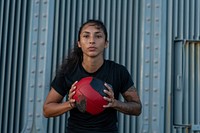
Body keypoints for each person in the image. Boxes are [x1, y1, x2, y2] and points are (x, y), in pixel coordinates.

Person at [43, 19, 142, 133]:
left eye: (98, 36)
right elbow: (47, 109)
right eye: (86, 36)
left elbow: (137, 108)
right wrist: (70, 104)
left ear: (106, 43)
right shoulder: (68, 72)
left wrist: (115, 103)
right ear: (79, 43)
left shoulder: (119, 71)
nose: (92, 41)